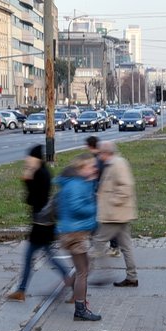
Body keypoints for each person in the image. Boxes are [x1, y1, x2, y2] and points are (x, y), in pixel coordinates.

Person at [7, 145, 72, 302]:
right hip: (44, 223)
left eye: (29, 157)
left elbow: (32, 199)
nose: (27, 160)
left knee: (36, 257)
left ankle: (22, 290)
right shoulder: (44, 172)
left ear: (35, 158)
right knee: (46, 256)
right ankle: (21, 290)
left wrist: (27, 179)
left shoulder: (39, 174)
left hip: (41, 225)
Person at [55, 153, 102, 321]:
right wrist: (95, 208)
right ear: (82, 168)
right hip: (75, 233)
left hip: (74, 231)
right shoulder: (76, 185)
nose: (94, 168)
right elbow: (76, 208)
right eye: (91, 166)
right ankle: (80, 309)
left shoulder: (79, 183)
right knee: (83, 271)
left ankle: (76, 295)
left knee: (84, 268)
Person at [90, 140, 140, 288]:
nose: (99, 156)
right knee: (126, 246)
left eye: (100, 153)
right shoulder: (114, 163)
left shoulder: (117, 164)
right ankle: (132, 277)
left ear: (106, 153)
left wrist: (112, 202)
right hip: (119, 213)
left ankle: (102, 274)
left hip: (115, 214)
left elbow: (126, 186)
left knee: (98, 242)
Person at [85, 135, 119, 257]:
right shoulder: (101, 158)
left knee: (101, 220)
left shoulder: (99, 159)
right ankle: (111, 245)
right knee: (104, 221)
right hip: (103, 194)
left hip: (101, 194)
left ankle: (106, 246)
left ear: (90, 146)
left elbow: (99, 177)